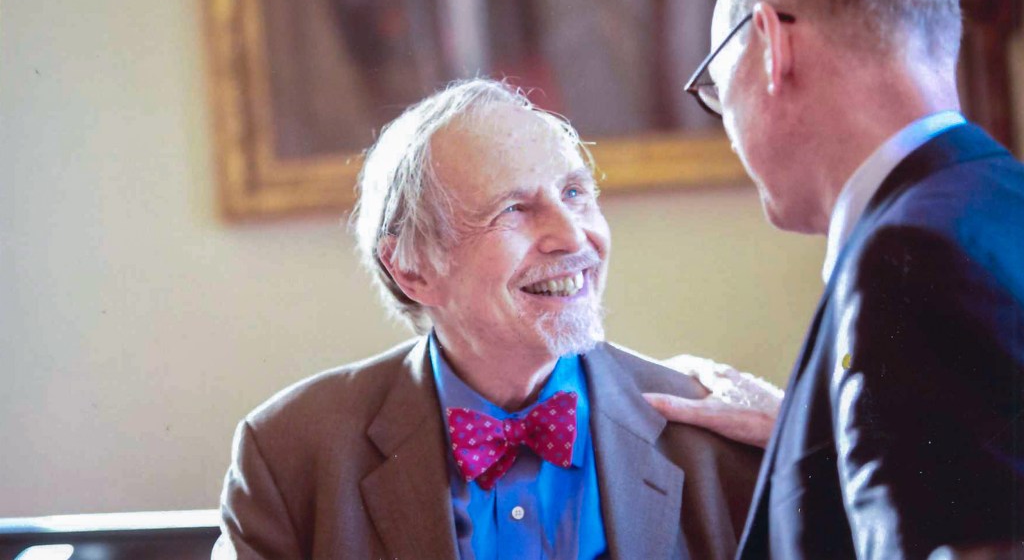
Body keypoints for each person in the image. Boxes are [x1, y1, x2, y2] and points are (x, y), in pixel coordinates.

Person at [214, 78, 763, 559]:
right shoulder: (290, 454)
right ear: (412, 269)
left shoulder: (713, 440)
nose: (574, 236)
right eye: (514, 210)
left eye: (575, 192)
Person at [656, 0, 1024, 557]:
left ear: (771, 46)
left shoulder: (906, 259)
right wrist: (809, 425)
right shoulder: (1001, 200)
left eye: (716, 83)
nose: (726, 126)